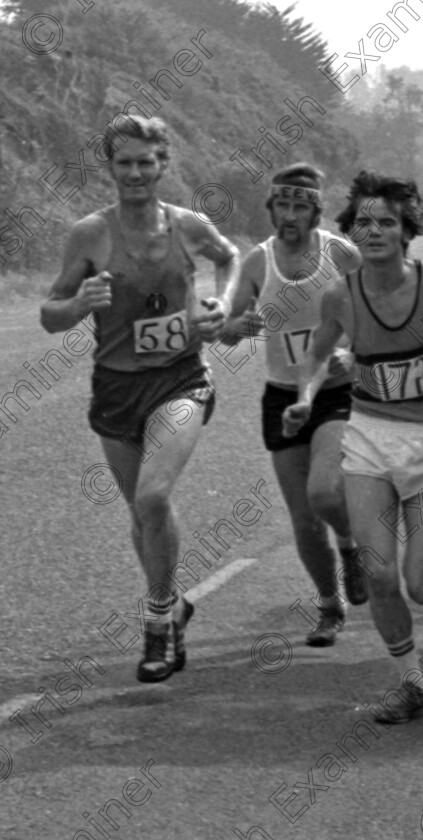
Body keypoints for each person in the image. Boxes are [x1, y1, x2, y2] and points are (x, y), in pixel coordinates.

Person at [283, 171, 423, 722]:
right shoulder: (341, 296)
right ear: (352, 233)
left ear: (407, 229)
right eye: (364, 222)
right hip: (368, 441)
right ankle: (409, 681)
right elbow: (316, 355)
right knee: (380, 573)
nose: (375, 230)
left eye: (387, 221)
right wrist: (306, 397)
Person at [40, 116, 240, 682]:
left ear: (163, 166)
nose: (135, 172)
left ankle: (157, 624)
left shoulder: (189, 226)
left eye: (145, 162)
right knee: (141, 513)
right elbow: (50, 313)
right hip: (115, 390)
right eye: (124, 162)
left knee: (153, 497)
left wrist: (221, 303)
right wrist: (79, 304)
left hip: (180, 379)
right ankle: (174, 602)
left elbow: (229, 258)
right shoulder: (90, 235)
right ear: (110, 167)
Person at [221, 163, 363, 647]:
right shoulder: (258, 262)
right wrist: (235, 327)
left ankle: (350, 547)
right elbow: (228, 323)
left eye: (300, 207)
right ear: (271, 209)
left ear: (315, 213)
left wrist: (354, 350)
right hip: (282, 395)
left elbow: (378, 307)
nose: (289, 215)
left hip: (336, 393)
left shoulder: (339, 254)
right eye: (282, 205)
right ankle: (329, 605)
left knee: (325, 493)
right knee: (303, 518)